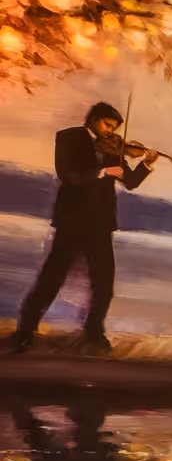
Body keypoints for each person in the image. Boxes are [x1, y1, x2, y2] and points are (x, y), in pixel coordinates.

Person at [6, 102, 157, 356]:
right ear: (94, 120)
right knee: (51, 279)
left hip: (100, 224)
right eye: (107, 125)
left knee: (104, 282)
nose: (111, 132)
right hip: (72, 221)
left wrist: (147, 164)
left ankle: (94, 333)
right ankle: (25, 331)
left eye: (114, 128)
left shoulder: (113, 146)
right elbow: (68, 175)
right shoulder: (69, 138)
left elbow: (129, 182)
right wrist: (102, 172)